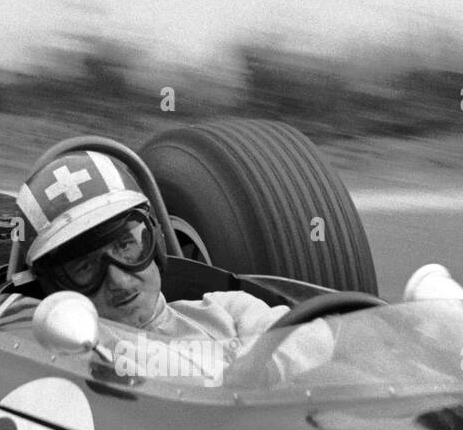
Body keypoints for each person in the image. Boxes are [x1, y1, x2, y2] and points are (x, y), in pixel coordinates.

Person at [17, 150, 331, 384]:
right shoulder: (94, 351)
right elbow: (170, 374)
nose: (120, 281)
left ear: (155, 243)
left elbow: (318, 338)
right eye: (86, 266)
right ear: (59, 288)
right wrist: (249, 363)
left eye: (126, 246)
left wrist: (255, 369)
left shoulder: (225, 306)